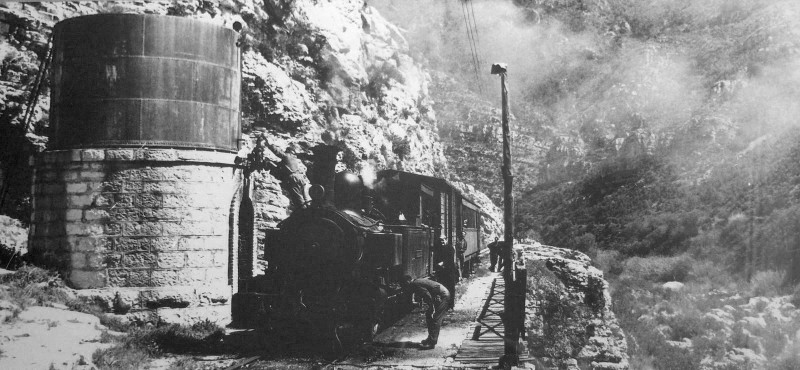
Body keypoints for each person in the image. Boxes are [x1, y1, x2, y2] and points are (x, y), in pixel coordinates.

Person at [249, 134, 309, 210]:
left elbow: (277, 152)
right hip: (301, 178)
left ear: (288, 152)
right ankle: (309, 210)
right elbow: (280, 165)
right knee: (306, 198)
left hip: (294, 179)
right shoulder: (294, 159)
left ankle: (303, 213)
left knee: (298, 199)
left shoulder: (287, 156)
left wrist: (268, 144)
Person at [402, 275, 451, 349]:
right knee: (428, 315)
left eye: (404, 284)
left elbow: (427, 295)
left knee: (436, 318)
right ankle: (430, 338)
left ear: (407, 281)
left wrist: (431, 306)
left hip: (442, 295)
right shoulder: (416, 282)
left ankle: (432, 343)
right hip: (439, 294)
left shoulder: (415, 284)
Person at [435, 237, 458, 309]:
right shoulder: (439, 248)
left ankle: (451, 305)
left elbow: (450, 259)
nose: (442, 242)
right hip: (442, 272)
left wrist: (443, 263)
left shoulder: (450, 248)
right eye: (440, 240)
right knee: (443, 288)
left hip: (450, 271)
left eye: (443, 240)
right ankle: (445, 305)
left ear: (446, 240)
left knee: (451, 288)